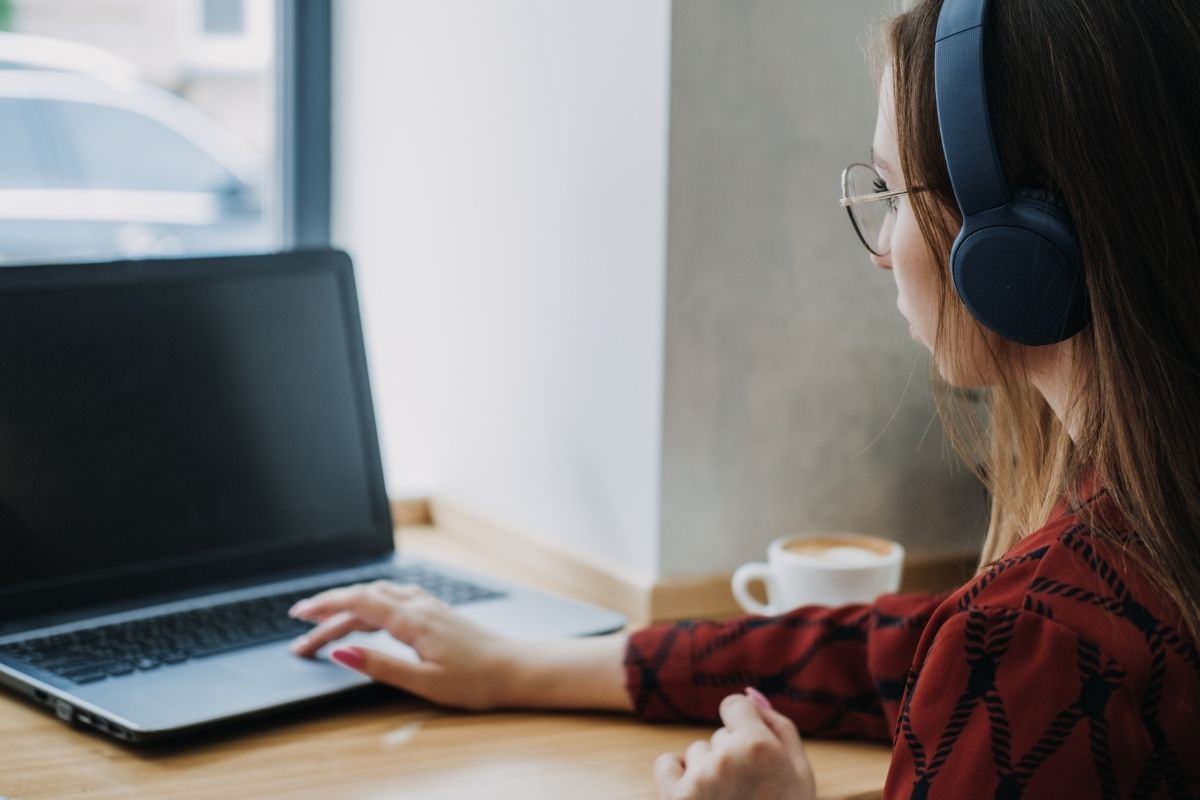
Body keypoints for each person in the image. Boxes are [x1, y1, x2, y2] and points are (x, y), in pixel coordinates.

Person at [287, 0, 1200, 796]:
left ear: (1015, 250)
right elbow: (887, 654)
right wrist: (523, 666)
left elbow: (995, 657)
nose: (882, 249)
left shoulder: (1046, 635)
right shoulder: (1125, 560)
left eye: (892, 191)